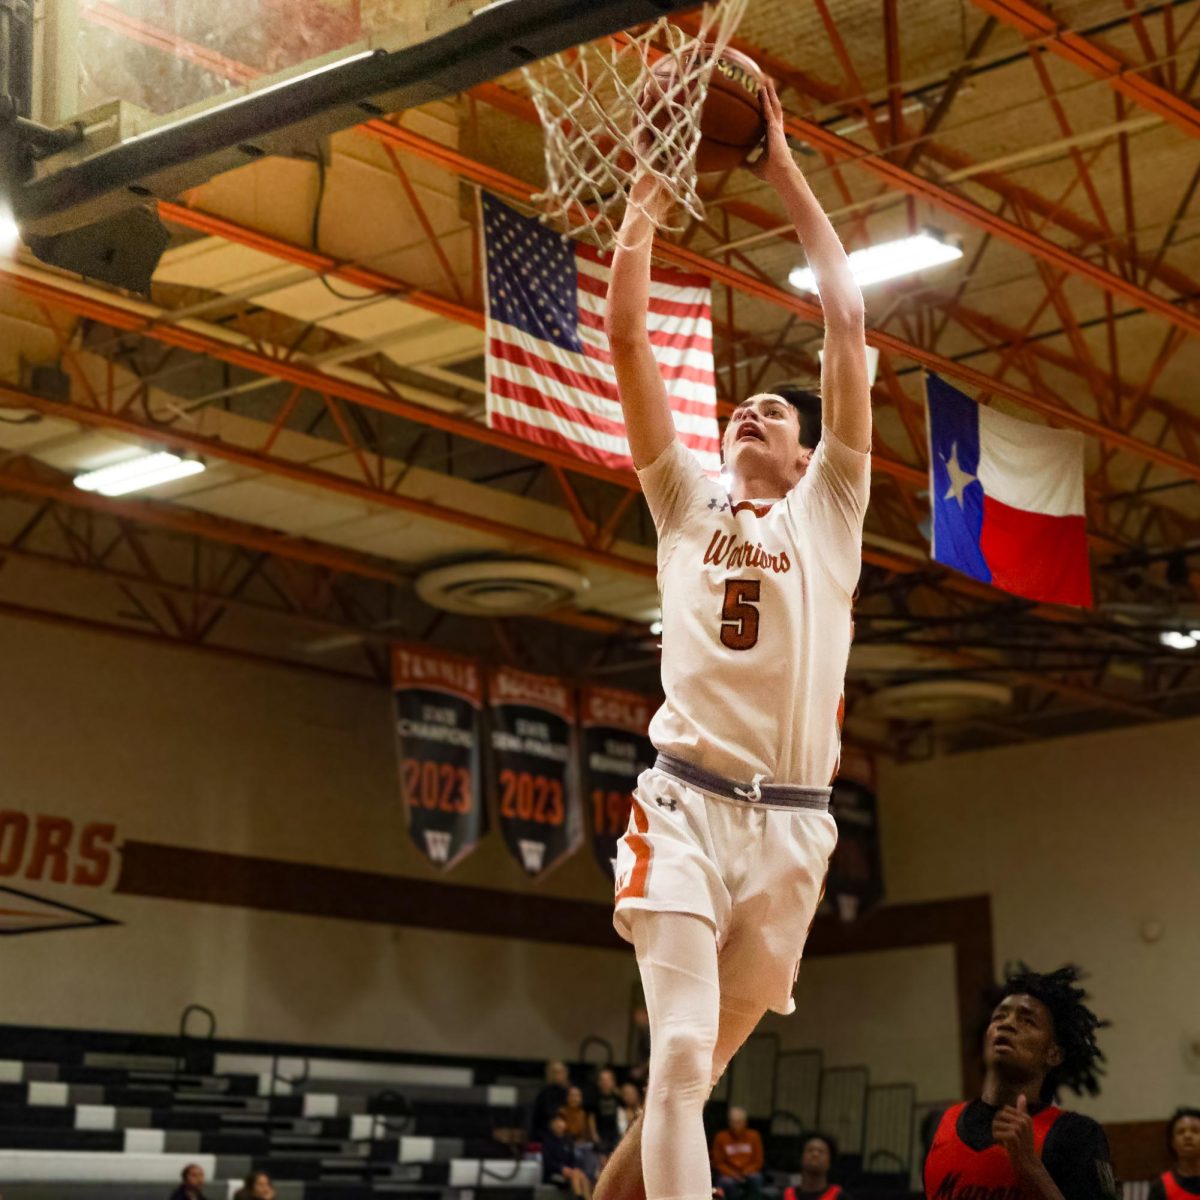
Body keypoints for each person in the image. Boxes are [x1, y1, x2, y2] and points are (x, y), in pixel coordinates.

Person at [601, 73, 870, 1200]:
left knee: (688, 1085)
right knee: (670, 1061)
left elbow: (847, 322)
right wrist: (655, 189)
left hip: (795, 834)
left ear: (809, 453)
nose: (750, 412)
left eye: (776, 410)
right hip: (687, 801)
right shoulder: (684, 501)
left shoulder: (831, 506)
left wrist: (783, 170)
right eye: (739, 407)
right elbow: (625, 332)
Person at [923, 963, 1117, 1200]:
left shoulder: (1077, 1134)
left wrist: (1030, 1167)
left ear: (1053, 1054)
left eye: (1027, 1021)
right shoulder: (938, 1124)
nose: (1007, 1024)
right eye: (999, 1017)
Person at [712, 1106, 765, 1200]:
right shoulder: (721, 1137)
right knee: (727, 1182)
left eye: (739, 1123)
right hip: (728, 1174)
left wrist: (746, 1171)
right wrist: (732, 1174)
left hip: (748, 1172)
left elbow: (758, 1160)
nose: (735, 1126)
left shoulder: (754, 1136)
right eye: (733, 1122)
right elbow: (718, 1163)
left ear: (745, 1123)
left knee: (756, 1179)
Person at [1148, 1109, 1200, 1200]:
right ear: (1173, 1142)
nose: (1187, 1136)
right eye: (1181, 1132)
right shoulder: (1160, 1186)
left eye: (1195, 1131)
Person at [544, 1112, 595, 1200]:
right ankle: (579, 1197)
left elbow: (573, 1159)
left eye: (561, 1121)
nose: (559, 1124)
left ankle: (587, 1198)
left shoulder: (568, 1140)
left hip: (570, 1172)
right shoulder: (547, 1141)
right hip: (554, 1174)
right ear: (551, 1125)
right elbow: (548, 1162)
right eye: (556, 1122)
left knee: (582, 1176)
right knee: (575, 1175)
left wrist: (574, 1168)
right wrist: (561, 1169)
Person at [783, 1134, 847, 1200]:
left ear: (829, 1162)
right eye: (810, 1150)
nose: (815, 1154)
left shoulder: (840, 1197)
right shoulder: (784, 1196)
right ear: (801, 1158)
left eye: (821, 1151)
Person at [533, 1060, 572, 1139]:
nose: (557, 1075)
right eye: (554, 1072)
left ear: (565, 1074)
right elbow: (539, 1117)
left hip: (568, 1131)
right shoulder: (544, 1094)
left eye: (560, 1072)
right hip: (547, 1131)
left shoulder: (571, 1092)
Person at [593, 1068, 623, 1155]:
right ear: (598, 1082)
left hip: (615, 1133)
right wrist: (594, 1134)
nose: (605, 1082)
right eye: (603, 1080)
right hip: (601, 1133)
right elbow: (591, 1117)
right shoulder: (595, 1097)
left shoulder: (618, 1097)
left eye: (608, 1079)